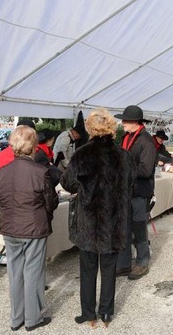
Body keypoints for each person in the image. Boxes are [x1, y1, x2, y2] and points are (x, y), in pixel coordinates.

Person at [60, 108, 132, 327]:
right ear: (111, 128)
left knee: (88, 267)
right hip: (113, 220)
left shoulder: (83, 153)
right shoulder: (123, 155)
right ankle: (107, 312)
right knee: (109, 267)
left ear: (90, 128)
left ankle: (88, 313)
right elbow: (130, 184)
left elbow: (67, 183)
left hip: (89, 219)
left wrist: (85, 187)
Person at [0, 125, 58, 332]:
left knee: (15, 272)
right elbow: (51, 201)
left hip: (10, 226)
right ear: (34, 147)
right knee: (32, 272)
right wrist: (45, 215)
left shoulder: (2, 171)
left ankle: (16, 318)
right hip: (33, 227)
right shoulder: (40, 171)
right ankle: (32, 319)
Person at [114, 105, 157, 280]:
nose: (122, 123)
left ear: (134, 122)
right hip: (126, 192)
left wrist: (123, 169)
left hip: (140, 192)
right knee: (124, 228)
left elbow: (146, 170)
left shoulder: (146, 141)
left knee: (139, 228)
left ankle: (142, 262)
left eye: (125, 120)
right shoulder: (126, 137)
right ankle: (124, 264)